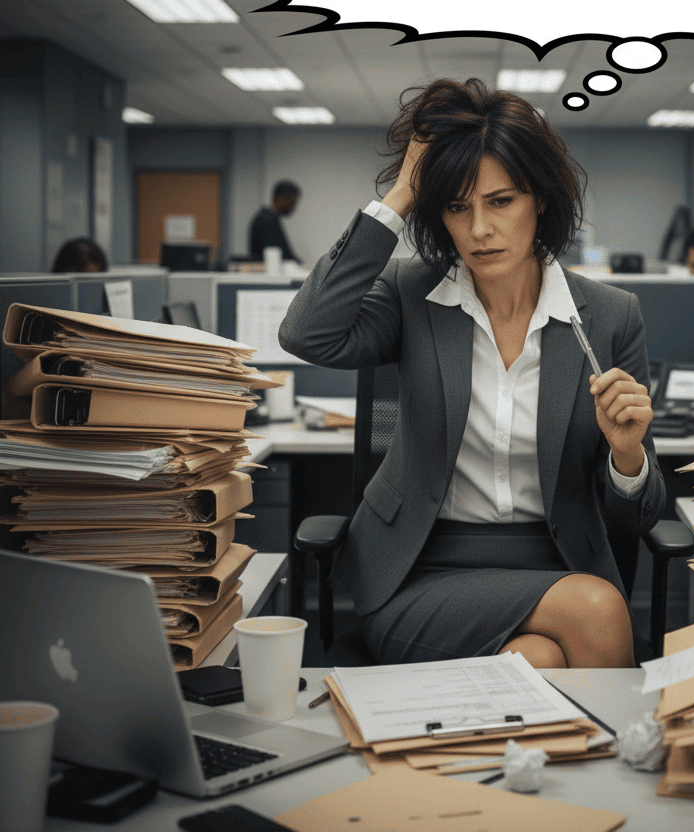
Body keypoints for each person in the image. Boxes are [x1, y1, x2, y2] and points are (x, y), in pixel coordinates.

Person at [279, 78, 665, 669]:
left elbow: (637, 516)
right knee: (598, 609)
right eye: (457, 206)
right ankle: (634, 755)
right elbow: (307, 332)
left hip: (555, 563)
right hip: (420, 570)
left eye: (500, 201)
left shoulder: (611, 317)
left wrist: (626, 458)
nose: (479, 229)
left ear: (540, 198)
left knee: (538, 660)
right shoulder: (413, 294)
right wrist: (403, 192)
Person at [249, 180, 302, 262]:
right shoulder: (266, 221)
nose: (293, 208)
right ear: (281, 198)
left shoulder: (269, 218)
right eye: (292, 202)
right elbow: (278, 253)